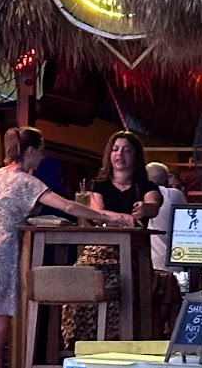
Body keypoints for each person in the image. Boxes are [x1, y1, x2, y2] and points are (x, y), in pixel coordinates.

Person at [0, 127, 126, 368]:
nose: (42, 157)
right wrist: (107, 216)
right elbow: (67, 205)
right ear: (29, 151)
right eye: (40, 151)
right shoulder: (27, 182)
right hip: (0, 257)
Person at [65, 131, 163, 348]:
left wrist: (144, 208)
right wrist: (119, 218)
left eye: (126, 150)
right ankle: (80, 342)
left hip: (132, 253)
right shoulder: (99, 186)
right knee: (80, 280)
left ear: (136, 156)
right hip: (99, 250)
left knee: (118, 286)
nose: (120, 154)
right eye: (116, 149)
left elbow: (153, 206)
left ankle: (116, 341)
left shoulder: (147, 187)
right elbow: (96, 213)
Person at [144, 163, 189, 273]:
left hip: (143, 262)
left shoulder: (138, 194)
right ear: (166, 179)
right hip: (171, 262)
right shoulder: (175, 194)